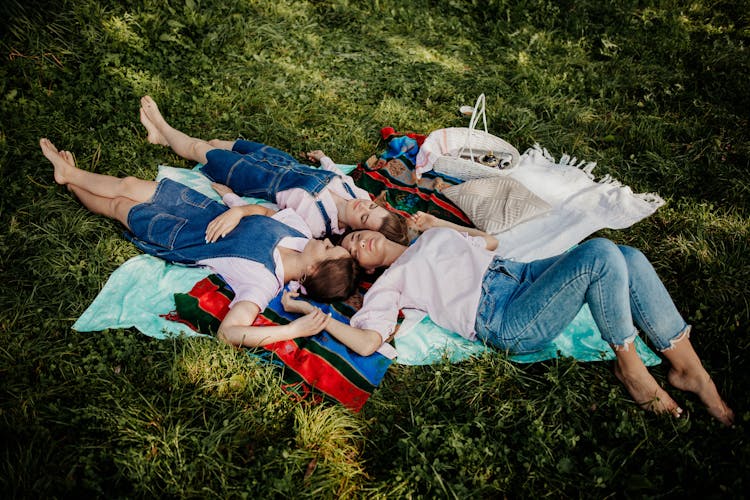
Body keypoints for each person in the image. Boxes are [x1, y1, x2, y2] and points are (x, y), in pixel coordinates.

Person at [289, 212, 734, 425]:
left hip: (517, 274)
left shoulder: (427, 235)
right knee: (599, 254)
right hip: (503, 316)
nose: (357, 241)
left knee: (628, 256)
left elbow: (489, 242)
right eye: (350, 250)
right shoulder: (390, 284)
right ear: (363, 271)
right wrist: (320, 319)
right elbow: (368, 341)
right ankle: (631, 367)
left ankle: (690, 371)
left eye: (357, 234)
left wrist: (437, 224)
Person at [40, 138, 384, 356]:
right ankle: (71, 174)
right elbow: (264, 210)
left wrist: (291, 330)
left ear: (313, 270)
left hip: (178, 237)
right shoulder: (299, 232)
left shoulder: (263, 283)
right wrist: (238, 209)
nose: (325, 242)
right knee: (129, 184)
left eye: (327, 251)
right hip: (201, 209)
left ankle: (69, 181)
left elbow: (229, 333)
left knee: (118, 207)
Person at [138, 95, 409, 244]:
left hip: (255, 178)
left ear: (353, 231)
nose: (363, 208)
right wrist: (325, 158)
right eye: (372, 208)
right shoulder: (358, 194)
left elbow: (270, 215)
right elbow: (338, 175)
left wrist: (231, 198)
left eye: (364, 219)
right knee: (218, 143)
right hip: (279, 160)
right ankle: (164, 138)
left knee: (201, 151)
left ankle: (163, 129)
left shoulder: (317, 224)